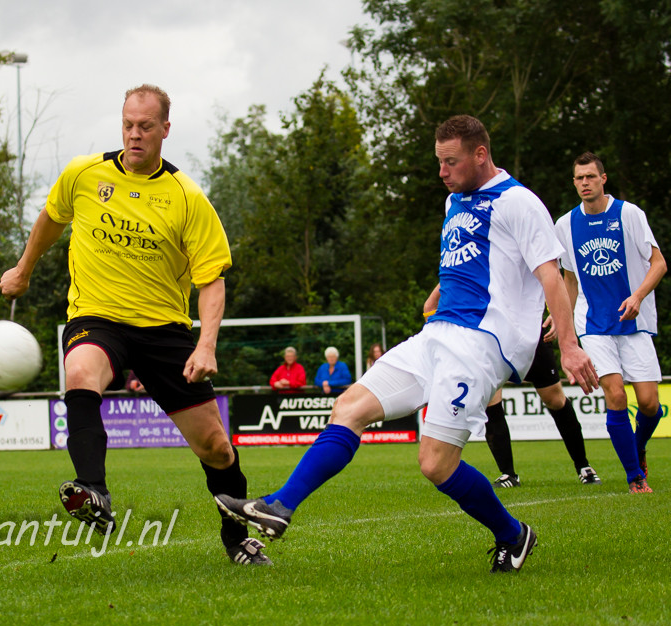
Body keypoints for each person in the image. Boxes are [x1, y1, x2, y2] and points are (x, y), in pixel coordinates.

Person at [216, 115, 598, 573]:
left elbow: (550, 276)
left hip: (482, 345)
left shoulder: (518, 202)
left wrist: (569, 345)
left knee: (436, 464)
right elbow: (473, 258)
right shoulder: (455, 200)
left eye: (450, 161)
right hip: (437, 335)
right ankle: (280, 506)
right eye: (438, 161)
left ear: (480, 154)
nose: (442, 171)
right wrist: (440, 290)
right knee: (349, 407)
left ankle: (513, 534)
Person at [0, 84, 269, 565]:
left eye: (145, 126)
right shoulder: (84, 174)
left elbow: (211, 280)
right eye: (128, 124)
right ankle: (93, 490)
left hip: (164, 330)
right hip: (96, 317)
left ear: (166, 129)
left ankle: (237, 539)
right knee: (80, 372)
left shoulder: (187, 197)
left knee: (216, 448)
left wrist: (206, 345)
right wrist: (23, 269)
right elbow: (51, 218)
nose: (134, 134)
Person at [554, 152, 666, 493]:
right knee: (615, 395)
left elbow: (659, 264)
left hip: (633, 321)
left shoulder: (629, 214)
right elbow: (569, 279)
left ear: (603, 179)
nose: (585, 183)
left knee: (650, 405)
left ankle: (637, 448)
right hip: (593, 324)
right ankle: (635, 477)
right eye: (579, 178)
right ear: (574, 183)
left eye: (590, 176)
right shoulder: (565, 225)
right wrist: (561, 320)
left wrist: (638, 297)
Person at [484, 325, 600, 488]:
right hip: (493, 337)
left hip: (531, 336)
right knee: (491, 400)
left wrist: (556, 317)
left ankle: (583, 466)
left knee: (555, 400)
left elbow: (559, 305)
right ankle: (508, 475)